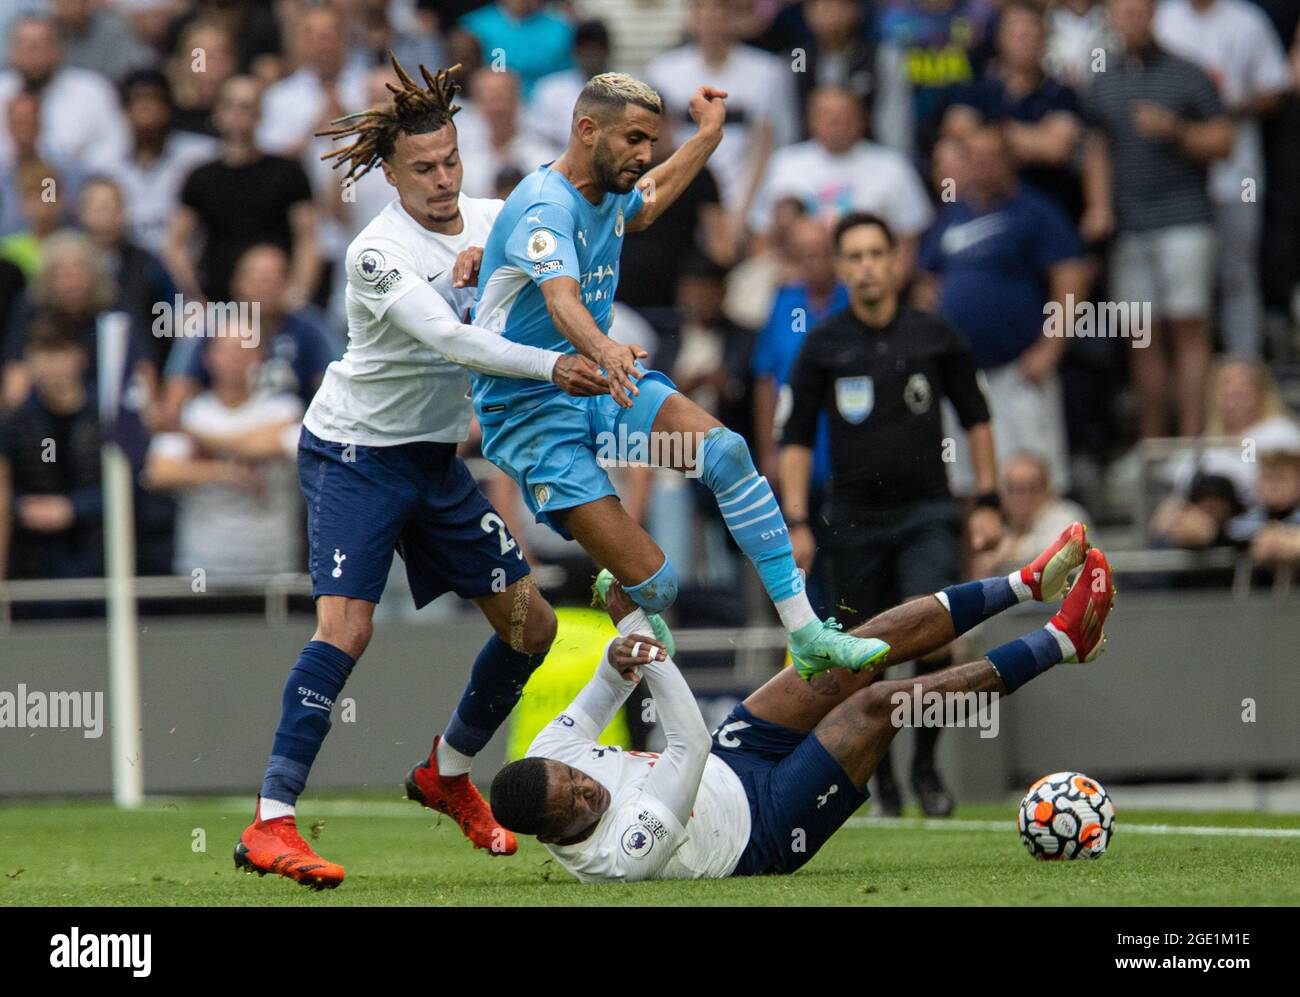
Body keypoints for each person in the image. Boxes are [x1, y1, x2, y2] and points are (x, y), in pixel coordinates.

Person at [232, 58, 609, 890]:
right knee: (348, 629)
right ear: (390, 173)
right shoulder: (374, 253)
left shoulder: (492, 214)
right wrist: (555, 367)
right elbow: (456, 342)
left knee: (531, 628)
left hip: (433, 461)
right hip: (354, 456)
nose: (443, 181)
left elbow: (578, 233)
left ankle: (446, 771)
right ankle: (270, 822)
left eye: (451, 162)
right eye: (423, 169)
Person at [470, 72, 891, 683]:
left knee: (726, 452)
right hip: (529, 416)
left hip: (598, 384)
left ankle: (805, 634)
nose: (646, 155)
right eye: (636, 139)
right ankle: (630, 597)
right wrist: (607, 348)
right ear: (587, 130)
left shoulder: (607, 189)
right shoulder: (545, 206)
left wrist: (709, 137)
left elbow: (648, 201)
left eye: (654, 141)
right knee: (660, 586)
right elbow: (561, 300)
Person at [488, 524, 1111, 882]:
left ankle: (1025, 583)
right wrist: (643, 638)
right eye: (570, 802)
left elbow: (610, 685)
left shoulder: (548, 756)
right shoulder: (619, 856)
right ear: (553, 835)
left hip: (734, 761)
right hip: (760, 829)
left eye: (571, 775)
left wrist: (621, 656)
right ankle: (1061, 640)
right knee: (878, 706)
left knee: (846, 652)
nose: (584, 786)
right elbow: (688, 743)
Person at [782, 212, 1001, 816]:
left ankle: (928, 767)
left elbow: (976, 417)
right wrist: (797, 522)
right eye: (853, 256)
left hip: (927, 511)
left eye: (877, 253)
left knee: (932, 636)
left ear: (895, 260)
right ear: (840, 267)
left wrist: (987, 501)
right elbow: (794, 438)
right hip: (851, 521)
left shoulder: (933, 334)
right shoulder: (823, 344)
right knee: (865, 654)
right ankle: (881, 782)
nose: (867, 266)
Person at [1081, 0, 1233, 438]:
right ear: (1110, 19)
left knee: (1187, 328)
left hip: (1184, 220)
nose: (1130, 21)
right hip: (1130, 227)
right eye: (1121, 13)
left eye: (1138, 12)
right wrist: (1099, 206)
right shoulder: (1103, 77)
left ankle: (1191, 439)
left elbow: (1224, 141)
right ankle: (1154, 442)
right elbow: (1096, 146)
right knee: (1142, 338)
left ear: (1153, 16)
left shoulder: (1188, 72)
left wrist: (1178, 131)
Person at [163, 75, 319, 307]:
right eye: (230, 105)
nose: (238, 114)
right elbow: (175, 244)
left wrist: (298, 293)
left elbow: (308, 239)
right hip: (219, 304)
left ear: (260, 114)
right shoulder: (200, 177)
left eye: (246, 106)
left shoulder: (288, 172)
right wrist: (195, 296)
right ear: (218, 113)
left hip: (276, 305)